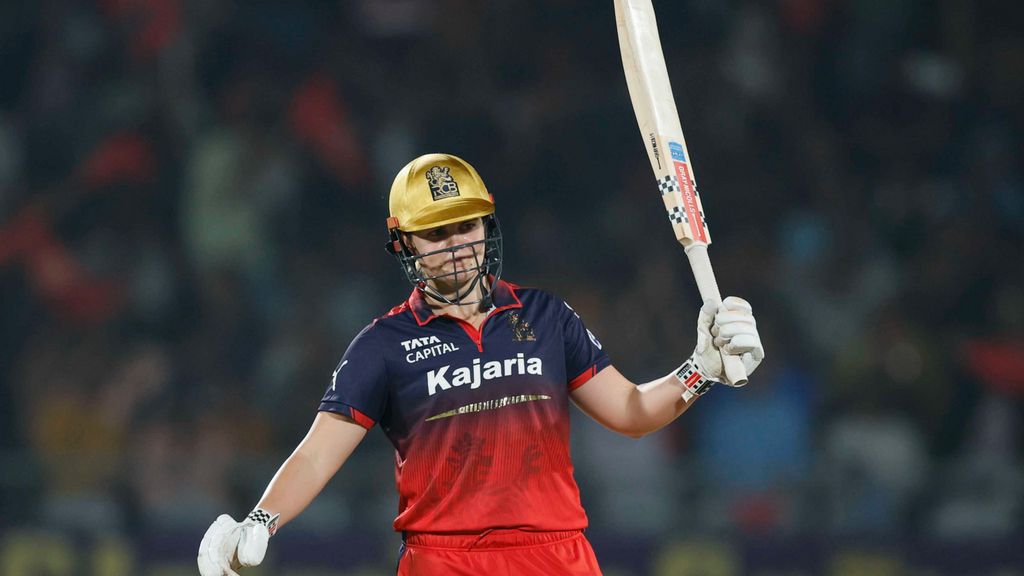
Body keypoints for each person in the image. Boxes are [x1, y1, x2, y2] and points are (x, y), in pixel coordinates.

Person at [197, 153, 764, 576]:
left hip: (558, 556)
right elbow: (317, 454)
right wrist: (260, 520)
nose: (456, 246)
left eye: (466, 225)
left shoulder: (546, 316)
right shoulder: (383, 344)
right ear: (404, 243)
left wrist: (701, 370)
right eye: (435, 233)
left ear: (487, 225)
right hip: (444, 561)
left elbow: (631, 412)